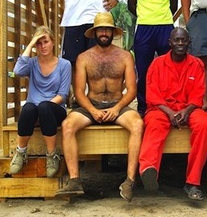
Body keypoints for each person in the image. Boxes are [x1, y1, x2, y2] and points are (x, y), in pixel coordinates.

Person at [54, 12, 144, 202]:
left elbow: (132, 91)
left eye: (107, 30)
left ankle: (129, 180)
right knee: (67, 125)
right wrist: (93, 110)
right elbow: (78, 91)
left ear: (113, 32)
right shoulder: (84, 58)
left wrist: (117, 108)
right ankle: (75, 180)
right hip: (91, 104)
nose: (104, 33)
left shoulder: (125, 56)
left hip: (117, 104)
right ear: (94, 33)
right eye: (100, 30)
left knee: (137, 124)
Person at [138, 27, 207, 201]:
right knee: (153, 123)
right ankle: (148, 171)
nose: (180, 43)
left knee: (203, 123)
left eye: (183, 40)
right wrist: (170, 112)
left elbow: (199, 93)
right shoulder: (157, 64)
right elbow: (152, 94)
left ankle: (193, 182)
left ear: (188, 42)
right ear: (169, 43)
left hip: (189, 109)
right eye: (176, 40)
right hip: (162, 109)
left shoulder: (197, 64)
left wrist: (187, 110)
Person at [9, 26, 72, 178]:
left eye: (46, 42)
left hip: (55, 108)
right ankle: (21, 151)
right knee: (29, 108)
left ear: (53, 42)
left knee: (44, 107)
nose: (43, 46)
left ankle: (52, 154)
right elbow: (17, 71)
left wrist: (46, 107)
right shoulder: (31, 63)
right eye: (39, 43)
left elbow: (62, 94)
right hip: (34, 109)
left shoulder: (64, 64)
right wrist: (30, 45)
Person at [128, 0, 179, 116]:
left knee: (168, 69)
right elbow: (131, 5)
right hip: (144, 27)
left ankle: (168, 104)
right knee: (144, 70)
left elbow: (174, 4)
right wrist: (146, 16)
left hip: (165, 27)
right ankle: (144, 107)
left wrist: (161, 16)